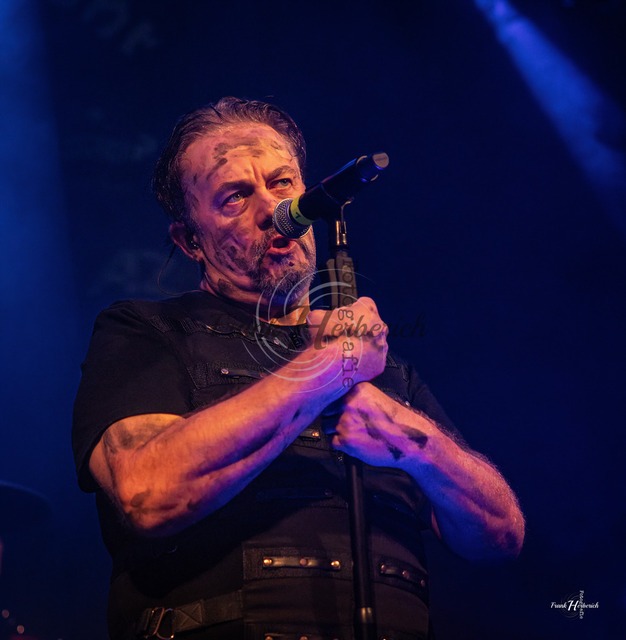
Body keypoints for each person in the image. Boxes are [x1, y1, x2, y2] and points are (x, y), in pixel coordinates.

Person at [72, 97, 525, 640]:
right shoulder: (146, 331)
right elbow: (149, 495)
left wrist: (414, 442)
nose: (272, 208)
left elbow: (501, 536)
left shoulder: (382, 365)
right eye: (235, 196)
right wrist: (327, 369)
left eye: (282, 183)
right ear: (190, 240)